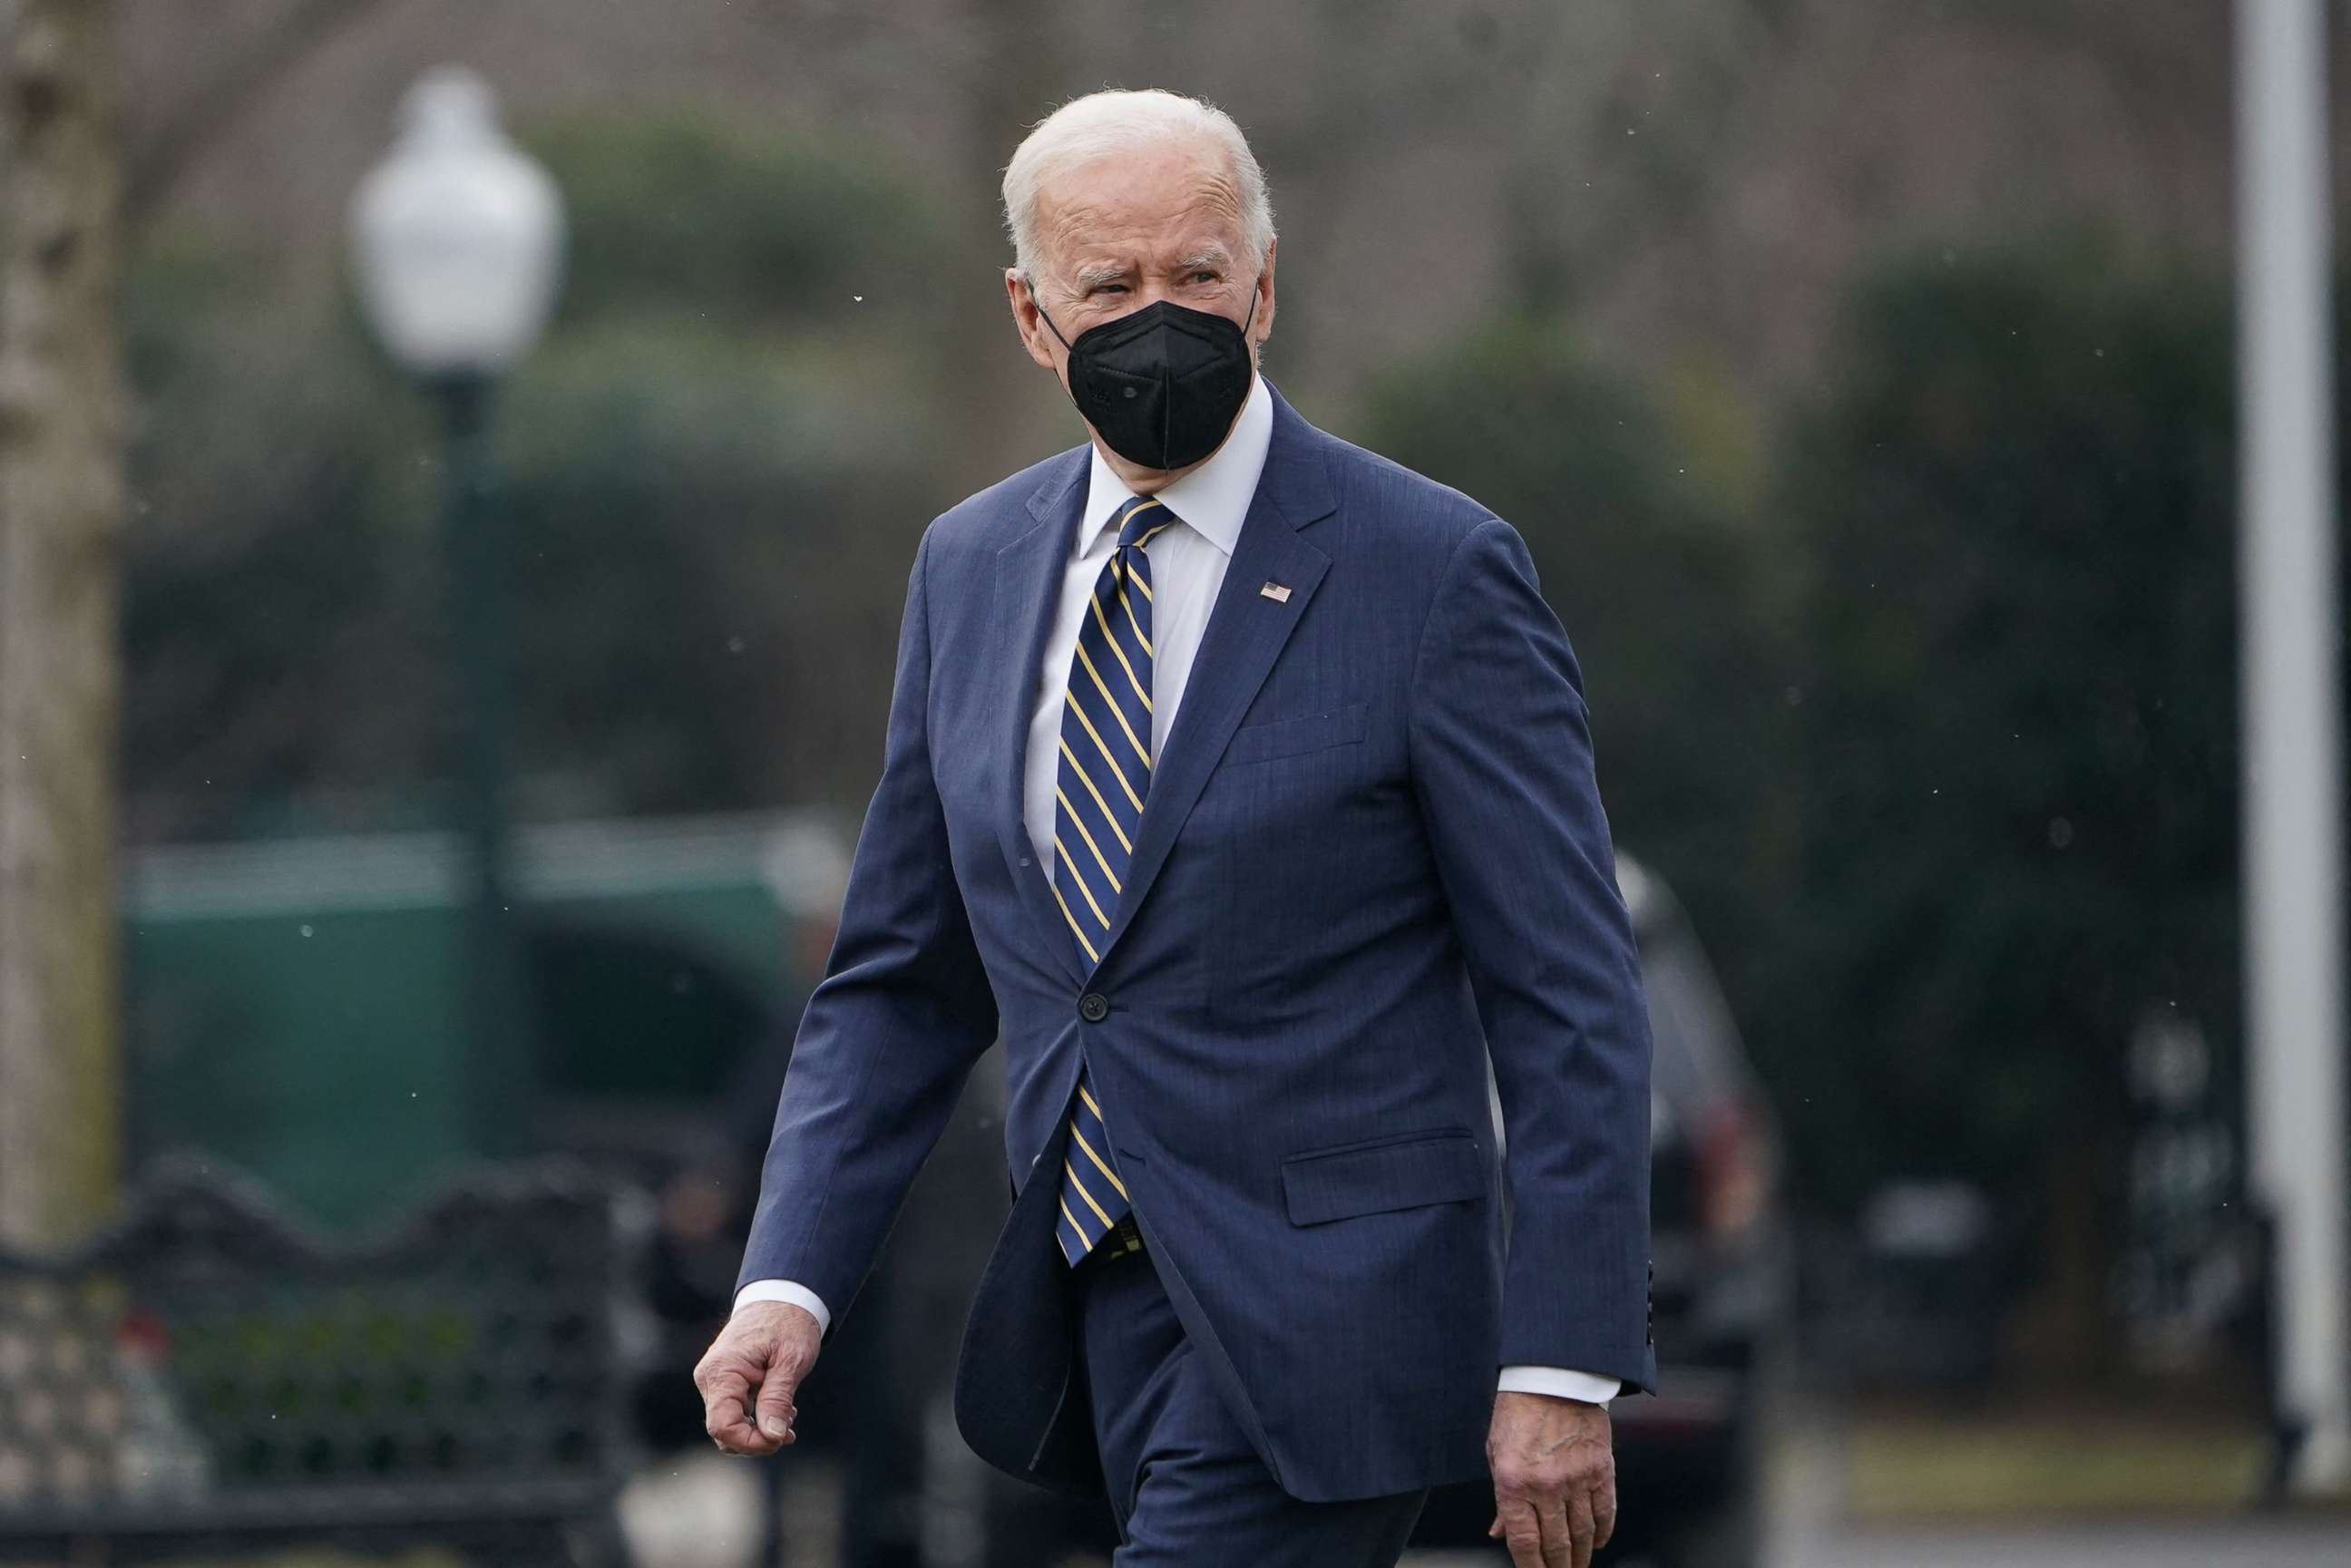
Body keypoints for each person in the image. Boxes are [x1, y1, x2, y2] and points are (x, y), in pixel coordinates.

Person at [695, 87, 1655, 1568]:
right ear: (1032, 314)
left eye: (1198, 274)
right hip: (1089, 1309)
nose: (1163, 316)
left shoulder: (1435, 570)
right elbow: (900, 979)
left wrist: (1564, 1357)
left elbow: (1568, 989)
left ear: (1264, 284)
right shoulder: (970, 567)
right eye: (1112, 285)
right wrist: (788, 1282)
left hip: (1341, 1308)